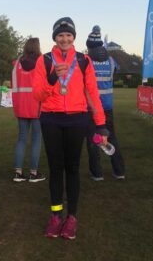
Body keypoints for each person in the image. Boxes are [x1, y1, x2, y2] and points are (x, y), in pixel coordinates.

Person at [33, 17, 108, 240]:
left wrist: (101, 124)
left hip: (77, 120)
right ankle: (56, 216)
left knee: (73, 168)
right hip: (51, 120)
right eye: (60, 35)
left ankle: (72, 218)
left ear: (73, 37)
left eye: (68, 35)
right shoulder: (44, 60)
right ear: (55, 37)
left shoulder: (84, 61)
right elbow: (38, 95)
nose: (64, 39)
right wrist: (52, 77)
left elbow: (93, 94)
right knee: (56, 168)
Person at [85, 25, 125, 181]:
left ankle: (97, 173)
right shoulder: (110, 60)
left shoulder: (87, 61)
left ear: (89, 46)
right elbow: (115, 72)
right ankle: (119, 171)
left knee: (93, 139)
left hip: (91, 107)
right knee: (112, 137)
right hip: (107, 106)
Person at [11, 38, 46, 183]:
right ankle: (33, 173)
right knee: (37, 139)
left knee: (22, 139)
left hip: (21, 106)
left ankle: (18, 173)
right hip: (37, 107)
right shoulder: (41, 62)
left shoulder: (17, 64)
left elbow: (13, 85)